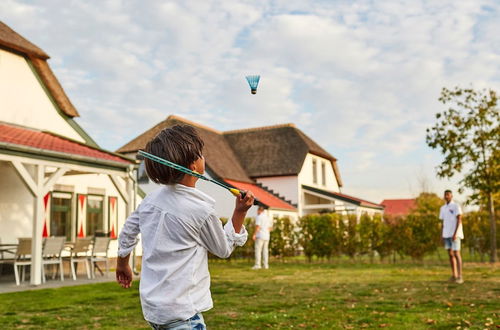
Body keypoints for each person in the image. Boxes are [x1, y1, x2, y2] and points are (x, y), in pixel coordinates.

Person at [116, 125, 255, 329]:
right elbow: (223, 249)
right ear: (193, 166)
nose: (203, 158)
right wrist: (240, 213)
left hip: (155, 312)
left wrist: (122, 263)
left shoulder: (150, 200)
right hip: (184, 314)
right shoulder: (200, 211)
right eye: (200, 154)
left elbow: (128, 231)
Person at [439, 189, 464, 284]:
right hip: (446, 234)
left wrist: (455, 233)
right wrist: (442, 234)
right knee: (450, 254)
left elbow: (459, 220)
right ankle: (454, 275)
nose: (446, 196)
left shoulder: (456, 206)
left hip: (455, 234)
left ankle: (460, 276)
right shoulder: (443, 208)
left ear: (451, 196)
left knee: (457, 253)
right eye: (445, 195)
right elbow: (442, 222)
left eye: (448, 195)